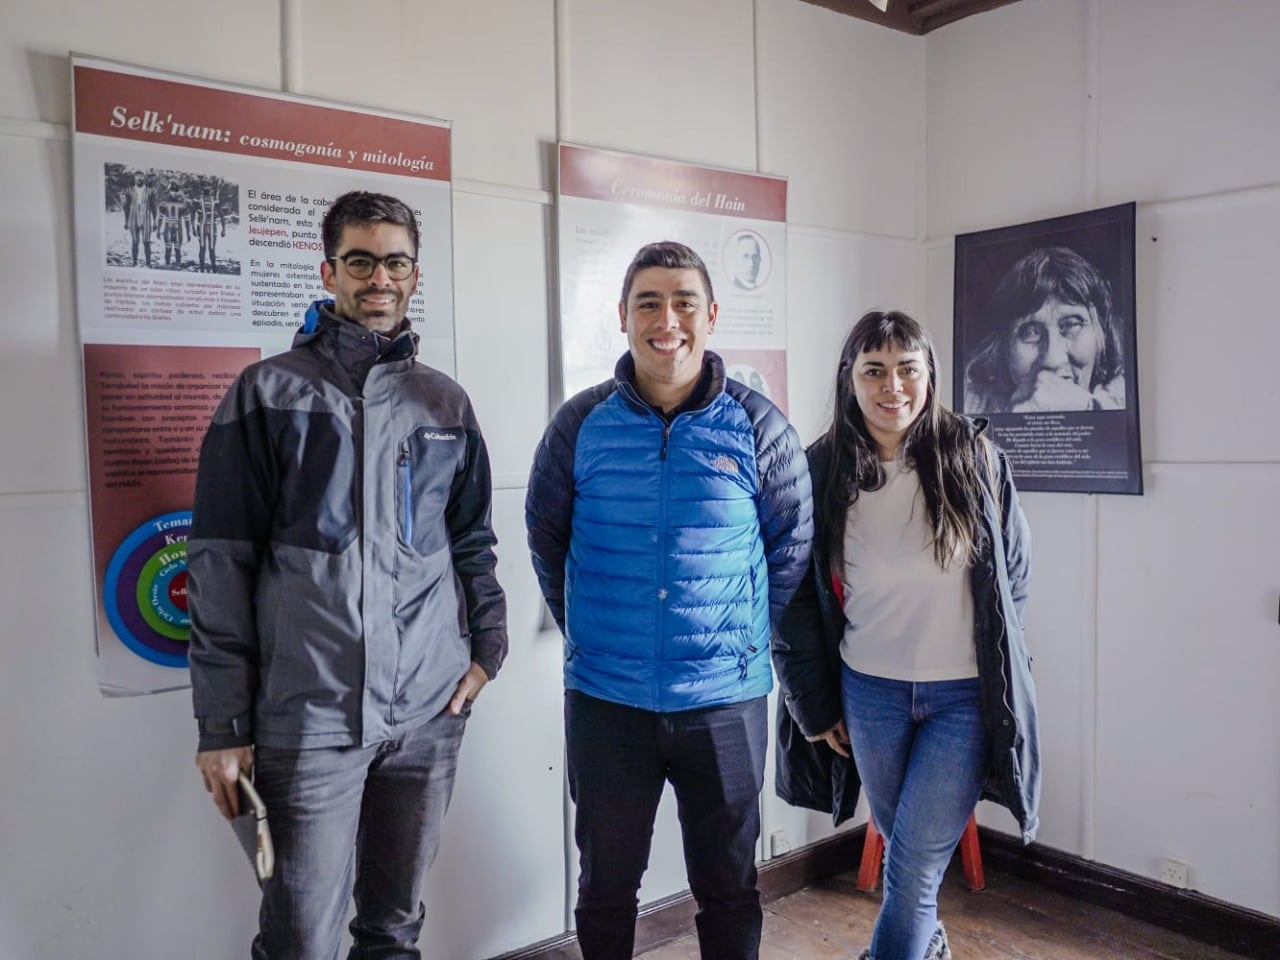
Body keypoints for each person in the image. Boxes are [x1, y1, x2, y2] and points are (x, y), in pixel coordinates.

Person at [188, 190, 507, 959]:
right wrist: (222, 727)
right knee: (301, 938)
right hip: (309, 720)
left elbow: (472, 540)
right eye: (360, 261)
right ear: (329, 270)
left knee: (394, 927)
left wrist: (485, 654)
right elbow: (220, 566)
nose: (379, 278)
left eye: (395, 261)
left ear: (415, 274)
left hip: (427, 715)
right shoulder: (266, 395)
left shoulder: (445, 402)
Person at [526, 240, 813, 960]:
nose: (668, 319)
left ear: (711, 315)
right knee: (606, 888)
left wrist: (739, 636)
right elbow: (546, 538)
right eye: (648, 302)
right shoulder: (578, 425)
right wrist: (590, 634)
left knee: (729, 887)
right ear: (623, 317)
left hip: (723, 701)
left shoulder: (758, 426)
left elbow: (791, 547)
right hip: (607, 701)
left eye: (684, 301)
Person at [773, 310, 1039, 960]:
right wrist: (813, 705)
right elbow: (790, 600)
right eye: (874, 370)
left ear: (929, 376)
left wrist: (1002, 678)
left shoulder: (976, 460)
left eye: (906, 369)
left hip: (961, 702)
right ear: (851, 380)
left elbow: (1015, 579)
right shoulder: (818, 471)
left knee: (914, 870)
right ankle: (933, 946)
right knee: (908, 863)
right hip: (870, 697)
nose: (893, 386)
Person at [963, 246, 1125, 413]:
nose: (1052, 360)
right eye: (1030, 333)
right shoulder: (968, 405)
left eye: (1072, 325)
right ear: (1002, 350)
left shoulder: (1132, 396)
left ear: (1102, 337)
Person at [121, 170, 156, 267]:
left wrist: (155, 221)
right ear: (134, 178)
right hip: (133, 218)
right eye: (137, 176)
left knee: (146, 241)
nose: (139, 178)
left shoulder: (150, 191)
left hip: (146, 218)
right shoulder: (129, 190)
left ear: (144, 178)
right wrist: (126, 221)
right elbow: (126, 207)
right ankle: (134, 262)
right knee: (135, 241)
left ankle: (148, 263)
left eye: (141, 176)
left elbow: (153, 207)